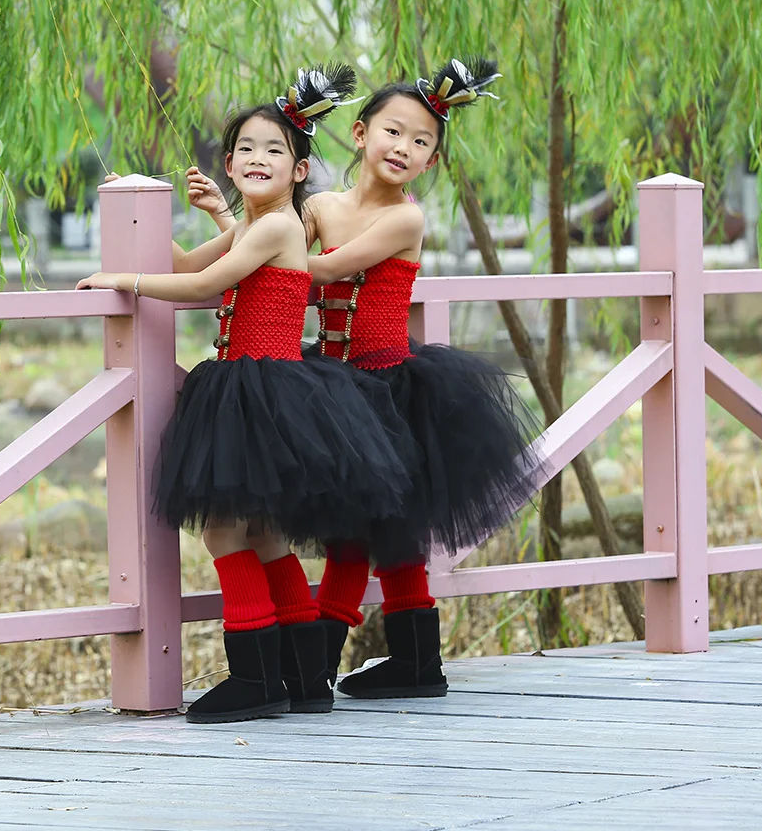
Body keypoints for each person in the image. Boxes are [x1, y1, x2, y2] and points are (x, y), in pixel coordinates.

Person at [190, 58, 542, 700]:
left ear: (432, 160)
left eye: (421, 141)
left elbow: (314, 269)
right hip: (334, 386)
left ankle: (356, 664)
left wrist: (259, 246)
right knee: (359, 532)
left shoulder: (406, 219)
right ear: (360, 134)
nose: (404, 147)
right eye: (393, 132)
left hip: (389, 387)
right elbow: (270, 246)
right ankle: (374, 666)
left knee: (382, 532)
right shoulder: (320, 205)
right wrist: (225, 219)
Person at [78, 65, 414, 722]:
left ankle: (257, 677)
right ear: (228, 164)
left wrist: (124, 281)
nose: (259, 158)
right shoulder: (256, 224)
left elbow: (206, 285)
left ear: (299, 170)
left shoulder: (277, 227)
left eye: (275, 150)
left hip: (264, 386)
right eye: (246, 149)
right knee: (262, 533)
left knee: (224, 531)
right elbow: (185, 263)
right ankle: (305, 679)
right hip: (256, 386)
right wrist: (132, 210)